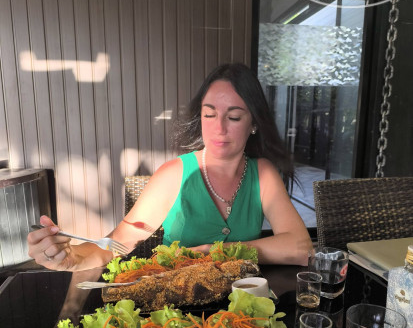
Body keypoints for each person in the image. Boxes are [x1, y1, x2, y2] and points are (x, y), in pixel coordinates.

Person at [28, 63, 312, 271]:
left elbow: (300, 248)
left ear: (254, 124)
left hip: (241, 305)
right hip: (177, 308)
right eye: (209, 114)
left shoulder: (262, 173)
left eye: (234, 117)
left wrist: (213, 252)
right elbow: (117, 244)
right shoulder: (174, 174)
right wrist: (71, 259)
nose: (219, 128)